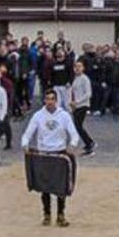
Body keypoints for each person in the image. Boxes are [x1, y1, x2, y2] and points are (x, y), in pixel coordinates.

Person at [21, 89, 80, 227]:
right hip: (44, 154)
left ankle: (61, 215)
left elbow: (74, 134)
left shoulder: (64, 116)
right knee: (45, 187)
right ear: (44, 100)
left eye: (52, 99)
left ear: (56, 100)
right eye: (47, 99)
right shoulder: (38, 116)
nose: (50, 102)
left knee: (61, 188)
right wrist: (25, 144)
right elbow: (27, 133)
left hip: (59, 155)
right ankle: (47, 214)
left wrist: (72, 145)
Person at [70, 60, 96, 155]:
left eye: (79, 66)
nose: (77, 68)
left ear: (83, 68)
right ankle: (88, 143)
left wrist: (77, 101)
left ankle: (90, 143)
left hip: (83, 105)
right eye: (76, 66)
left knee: (78, 125)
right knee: (77, 126)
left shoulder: (85, 79)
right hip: (76, 106)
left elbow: (88, 93)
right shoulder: (75, 79)